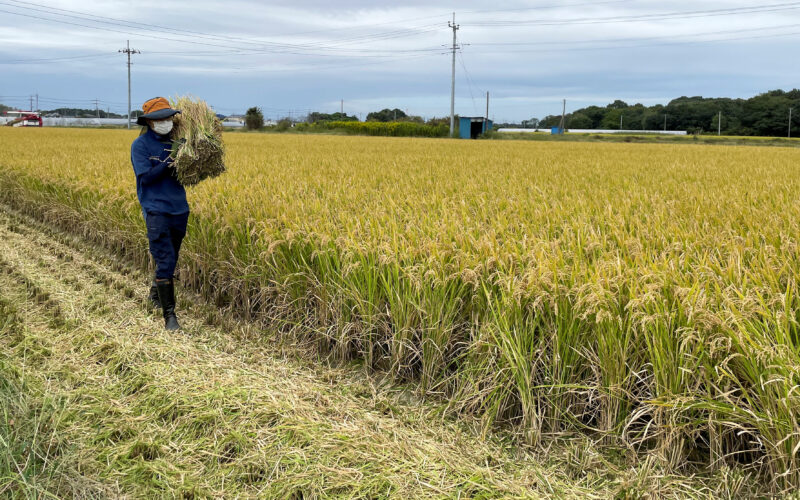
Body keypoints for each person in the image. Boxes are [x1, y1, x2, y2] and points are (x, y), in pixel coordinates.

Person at [130, 97, 188, 331]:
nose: (165, 122)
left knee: (171, 257)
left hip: (180, 209)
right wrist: (168, 162)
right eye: (160, 118)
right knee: (165, 259)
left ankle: (155, 295)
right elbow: (146, 177)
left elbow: (190, 175)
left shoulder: (179, 142)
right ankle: (170, 317)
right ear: (150, 121)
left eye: (168, 117)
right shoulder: (141, 146)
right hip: (156, 209)